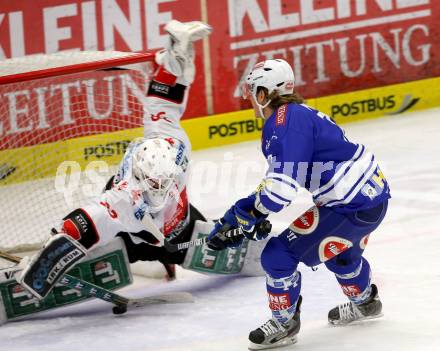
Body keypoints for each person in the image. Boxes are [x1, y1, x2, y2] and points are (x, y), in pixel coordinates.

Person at [18, 20, 212, 298]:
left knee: (208, 243)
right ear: (140, 177)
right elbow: (88, 220)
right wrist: (52, 251)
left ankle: (170, 258)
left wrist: (176, 55)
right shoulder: (125, 197)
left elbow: (163, 103)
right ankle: (120, 257)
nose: (159, 190)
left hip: (178, 227)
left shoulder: (175, 147)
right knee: (106, 243)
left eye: (164, 183)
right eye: (153, 185)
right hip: (130, 235)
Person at [207, 59, 390, 350]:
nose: (251, 100)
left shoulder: (283, 122)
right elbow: (281, 184)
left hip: (349, 205)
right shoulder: (297, 114)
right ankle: (366, 303)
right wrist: (239, 215)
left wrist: (250, 216)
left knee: (278, 256)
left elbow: (280, 189)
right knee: (340, 253)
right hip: (370, 200)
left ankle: (284, 324)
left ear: (264, 93)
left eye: (254, 91)